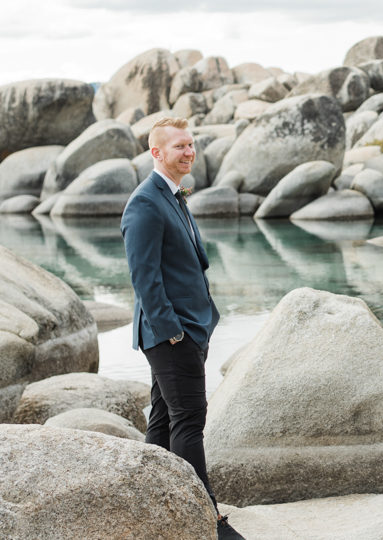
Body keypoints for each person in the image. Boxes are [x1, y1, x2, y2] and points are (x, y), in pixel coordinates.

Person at [121, 117, 243, 540]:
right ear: (156, 153)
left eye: (191, 145)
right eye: (179, 147)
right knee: (190, 422)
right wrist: (174, 332)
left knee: (162, 420)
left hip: (187, 329)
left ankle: (153, 506)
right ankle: (208, 518)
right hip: (171, 335)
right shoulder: (145, 202)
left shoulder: (173, 195)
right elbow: (144, 277)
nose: (189, 152)